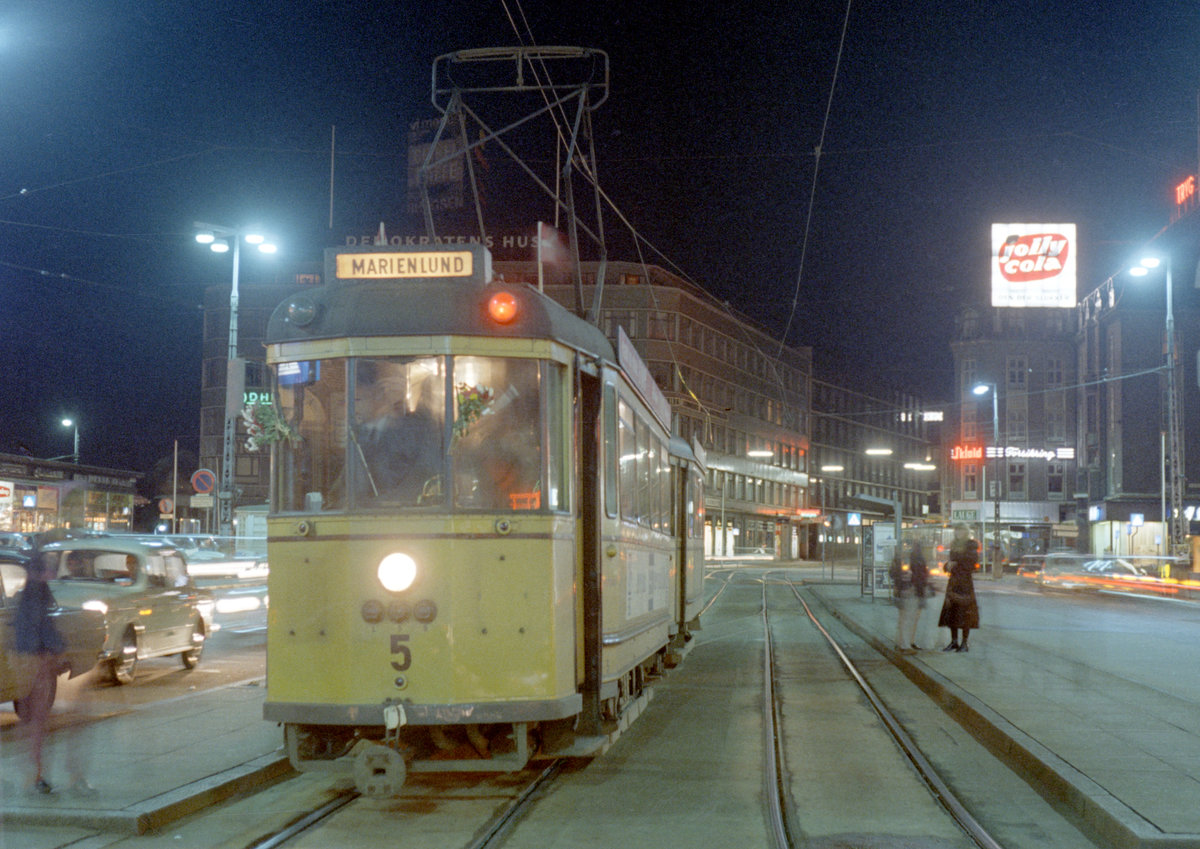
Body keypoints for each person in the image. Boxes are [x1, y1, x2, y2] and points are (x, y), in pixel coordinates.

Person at [15, 548, 67, 794]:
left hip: (26, 658)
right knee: (36, 719)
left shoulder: (30, 591)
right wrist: (56, 649)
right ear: (42, 571)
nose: (53, 574)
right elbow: (42, 625)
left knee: (31, 718)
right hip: (36, 659)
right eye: (49, 569)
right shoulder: (38, 592)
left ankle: (32, 774)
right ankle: (34, 776)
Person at [938, 524, 981, 652]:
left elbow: (971, 564)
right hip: (954, 582)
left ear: (966, 531)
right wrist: (947, 566)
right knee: (952, 612)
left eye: (961, 530)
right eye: (957, 530)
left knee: (965, 613)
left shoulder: (971, 545)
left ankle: (964, 643)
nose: (958, 533)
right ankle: (954, 641)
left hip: (965, 583)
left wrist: (955, 564)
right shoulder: (954, 545)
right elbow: (951, 562)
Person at [890, 541, 930, 652]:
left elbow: (923, 573)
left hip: (917, 590)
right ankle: (903, 644)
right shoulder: (901, 559)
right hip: (907, 590)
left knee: (913, 618)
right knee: (905, 618)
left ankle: (908, 642)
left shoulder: (918, 557)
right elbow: (893, 573)